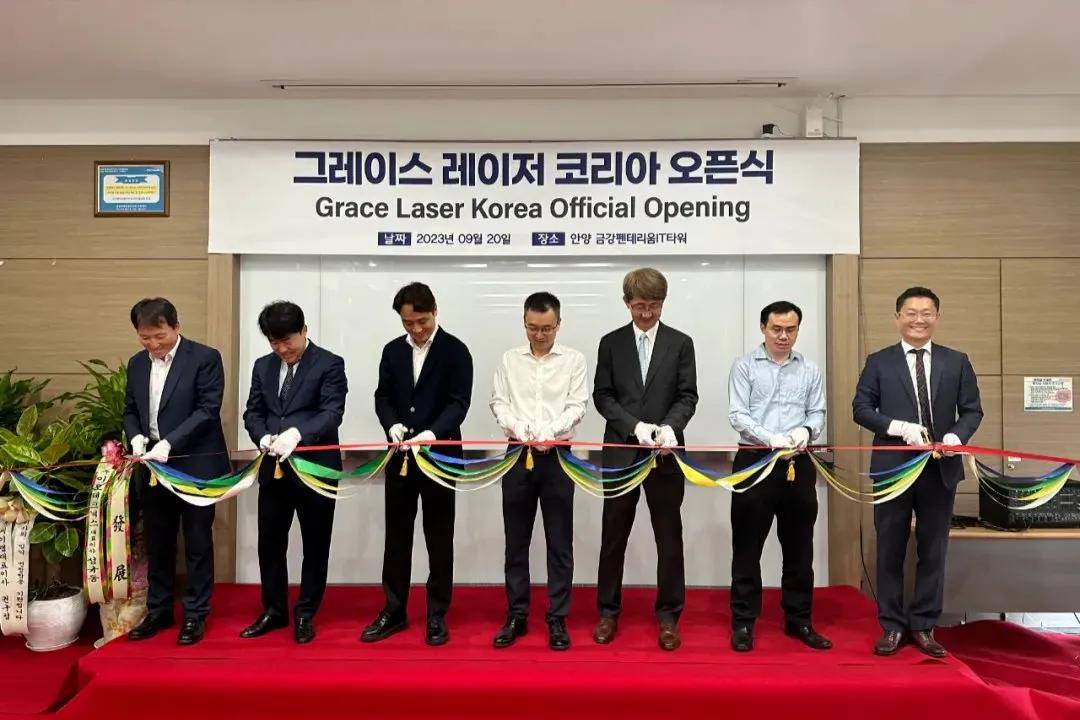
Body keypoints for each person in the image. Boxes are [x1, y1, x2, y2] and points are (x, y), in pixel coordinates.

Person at [853, 286, 982, 658]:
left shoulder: (957, 361)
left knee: (933, 549)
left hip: (940, 471)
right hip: (893, 470)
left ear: (937, 317)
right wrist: (897, 427)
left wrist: (957, 435)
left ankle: (924, 625)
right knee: (890, 548)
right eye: (911, 313)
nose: (919, 320)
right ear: (897, 318)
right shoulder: (879, 361)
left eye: (926, 313)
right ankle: (892, 626)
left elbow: (972, 410)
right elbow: (861, 408)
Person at [592, 268, 698, 651]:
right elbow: (603, 396)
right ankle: (608, 611)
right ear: (626, 303)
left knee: (669, 537)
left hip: (666, 456)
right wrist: (633, 426)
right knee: (613, 536)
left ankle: (669, 616)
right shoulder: (611, 343)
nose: (647, 313)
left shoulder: (680, 343)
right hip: (621, 452)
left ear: (662, 304)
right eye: (639, 306)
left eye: (654, 306)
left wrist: (669, 427)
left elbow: (687, 395)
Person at [363, 282, 473, 646]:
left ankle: (437, 613)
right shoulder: (392, 351)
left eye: (422, 321)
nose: (416, 329)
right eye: (408, 323)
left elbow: (459, 403)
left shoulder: (456, 351)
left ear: (435, 312)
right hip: (400, 458)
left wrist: (432, 433)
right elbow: (382, 396)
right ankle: (394, 609)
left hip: (439, 457)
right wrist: (391, 424)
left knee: (439, 537)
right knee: (396, 537)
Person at [123, 297, 231, 646]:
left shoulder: (204, 358)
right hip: (153, 464)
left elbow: (207, 410)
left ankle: (196, 614)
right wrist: (136, 436)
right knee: (159, 540)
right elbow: (130, 409)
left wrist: (170, 442)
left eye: (160, 336)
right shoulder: (137, 364)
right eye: (145, 337)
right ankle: (159, 610)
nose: (153, 344)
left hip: (195, 464)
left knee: (197, 540)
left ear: (176, 327)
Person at [240, 301, 348, 644]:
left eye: (287, 340)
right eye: (274, 342)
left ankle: (305, 613)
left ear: (304, 331)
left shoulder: (329, 364)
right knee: (270, 543)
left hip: (316, 470)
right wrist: (262, 435)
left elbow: (332, 412)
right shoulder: (263, 366)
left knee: (315, 544)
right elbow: (253, 412)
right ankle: (274, 610)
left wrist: (297, 434)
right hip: (274, 470)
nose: (282, 349)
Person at [727, 301, 830, 652]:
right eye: (776, 329)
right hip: (755, 461)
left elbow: (818, 413)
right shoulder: (744, 366)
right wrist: (770, 438)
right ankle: (743, 621)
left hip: (797, 464)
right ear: (763, 328)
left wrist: (805, 431)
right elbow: (738, 415)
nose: (783, 336)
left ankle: (799, 620)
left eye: (790, 329)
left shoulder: (810, 369)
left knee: (800, 547)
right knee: (747, 547)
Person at [490, 292, 587, 651]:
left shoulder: (574, 360)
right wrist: (517, 427)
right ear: (524, 323)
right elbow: (499, 402)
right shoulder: (509, 359)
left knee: (559, 540)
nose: (540, 335)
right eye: (533, 328)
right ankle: (516, 614)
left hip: (558, 456)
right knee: (516, 540)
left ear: (558, 324)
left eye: (547, 328)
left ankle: (557, 617)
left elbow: (578, 404)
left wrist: (553, 429)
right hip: (518, 454)